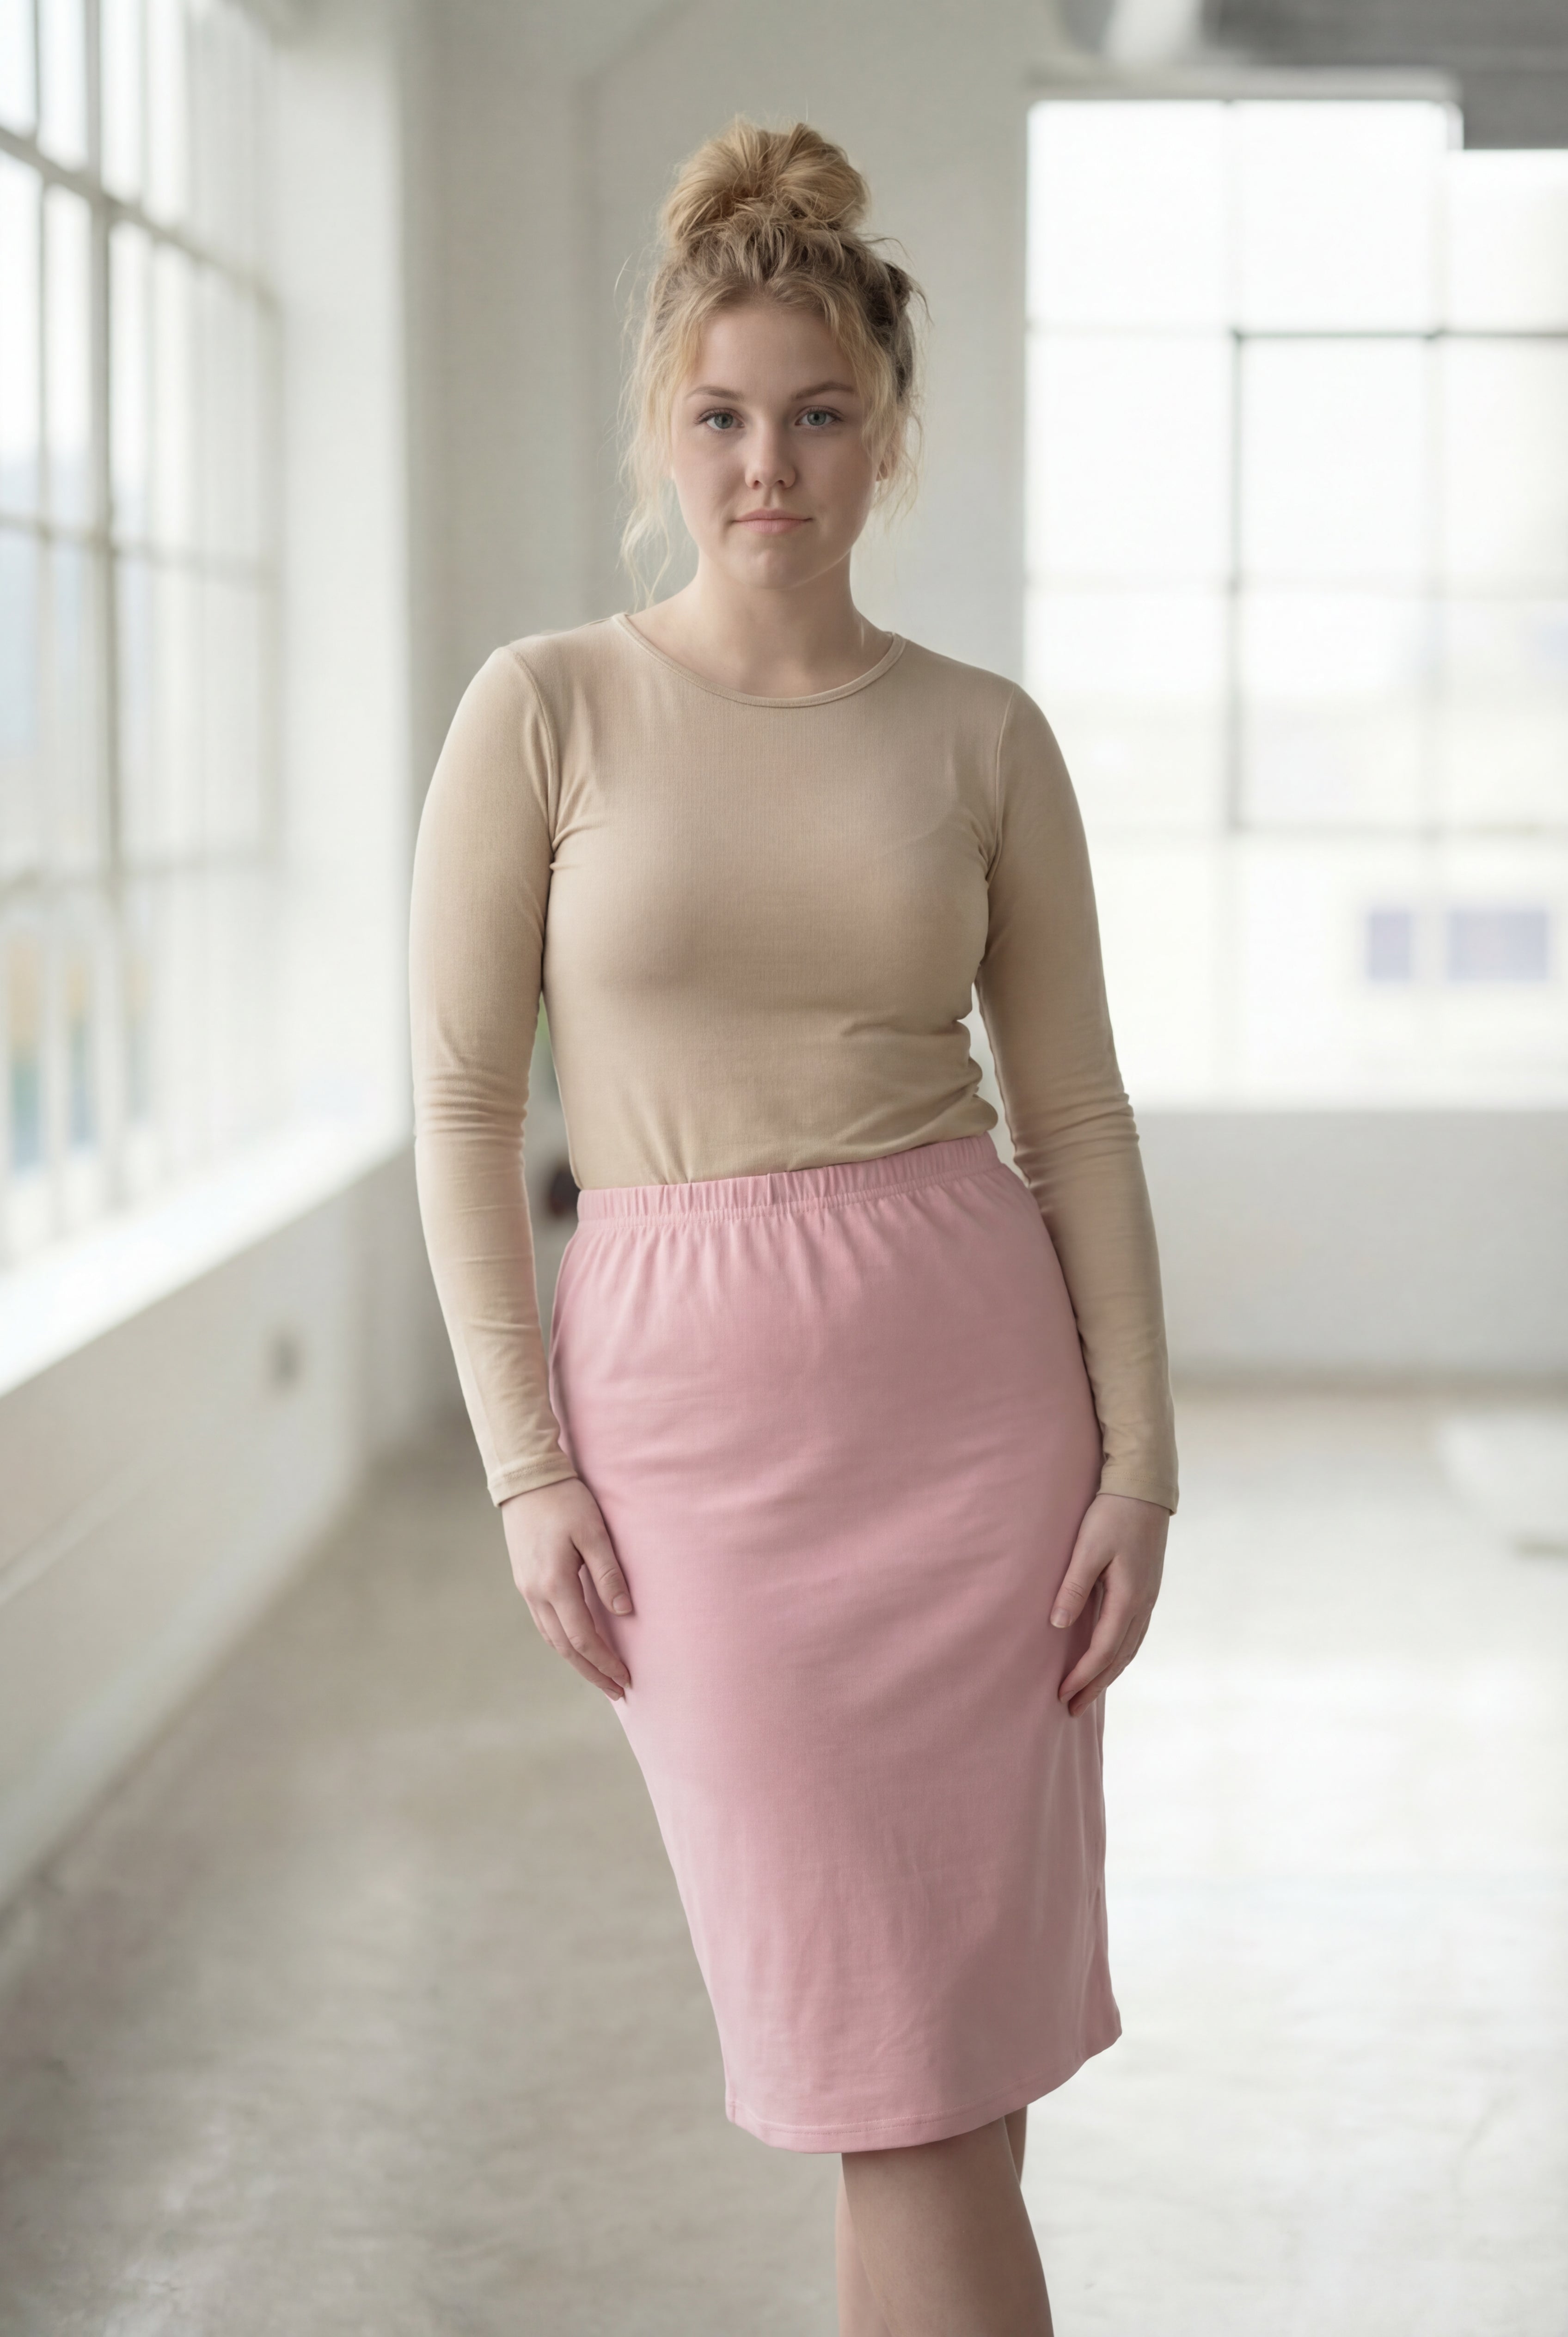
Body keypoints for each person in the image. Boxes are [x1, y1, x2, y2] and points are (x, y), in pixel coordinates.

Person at [409, 116, 1177, 2337]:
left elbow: (1076, 1115)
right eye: (725, 416)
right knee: (888, 2074)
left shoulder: (980, 737)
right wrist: (525, 1467)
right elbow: (463, 1105)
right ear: (661, 429)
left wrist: (1137, 1460)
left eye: (821, 415)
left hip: (975, 1421)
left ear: (889, 433)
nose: (771, 465)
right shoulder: (544, 709)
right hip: (692, 1446)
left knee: (943, 2097)